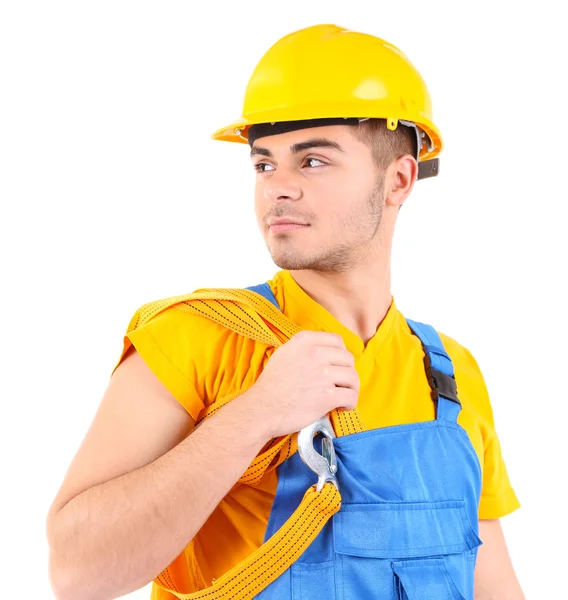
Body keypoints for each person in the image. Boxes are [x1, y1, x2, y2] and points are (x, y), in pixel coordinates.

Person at [46, 24, 525, 600]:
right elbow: (77, 575)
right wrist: (258, 413)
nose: (279, 189)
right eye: (264, 165)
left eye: (314, 161)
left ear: (398, 179)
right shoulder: (199, 337)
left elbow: (493, 584)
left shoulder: (451, 375)